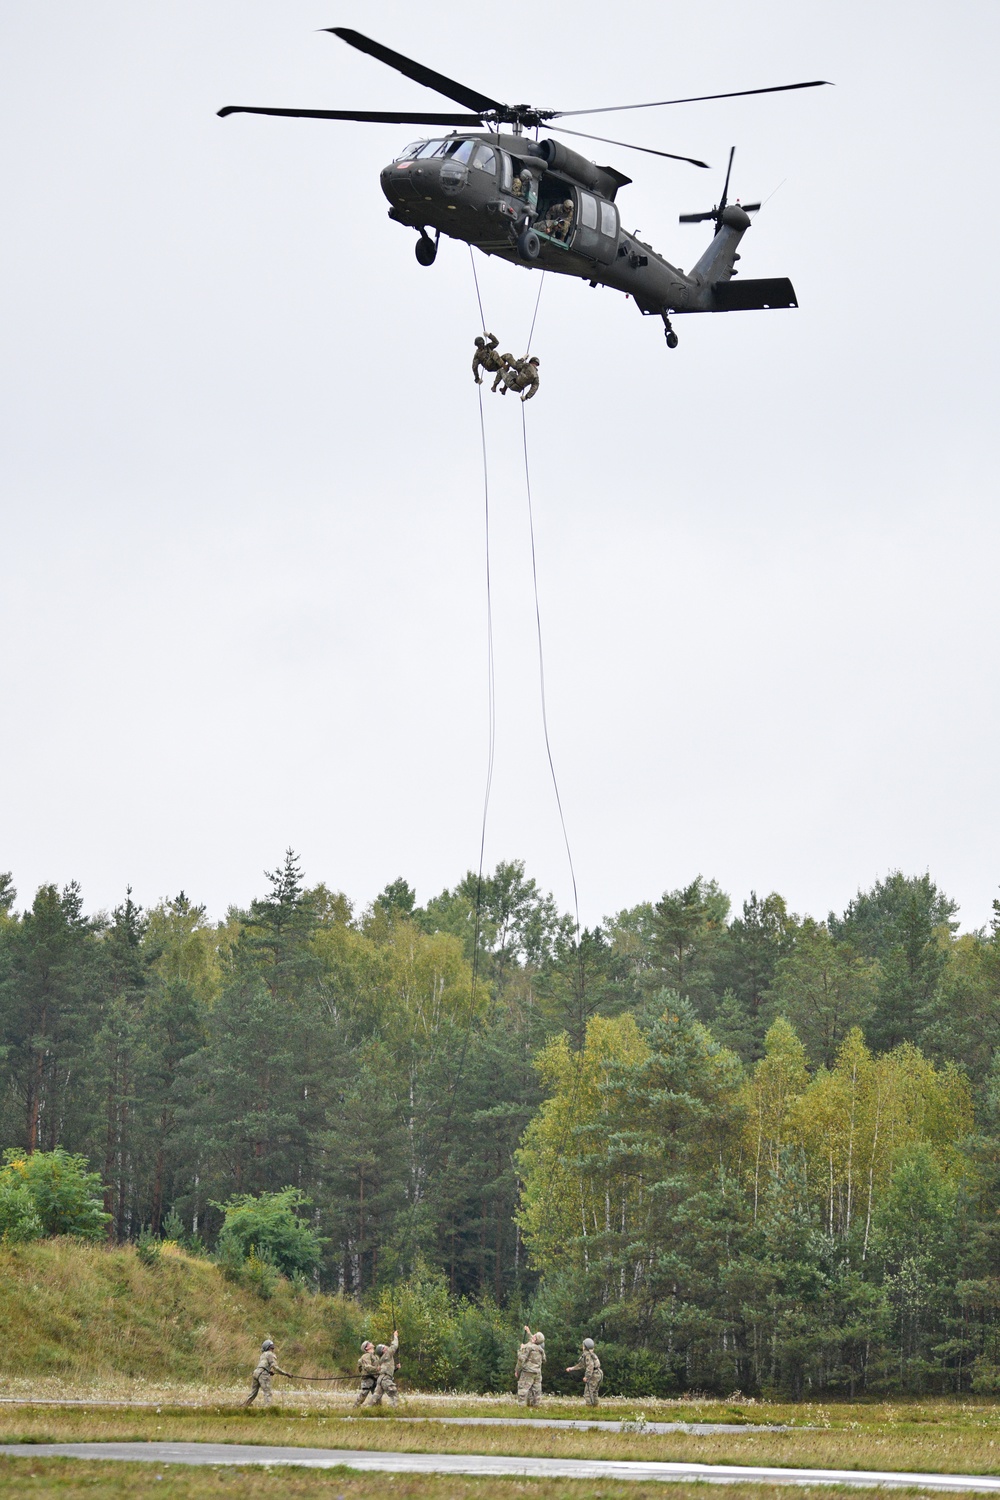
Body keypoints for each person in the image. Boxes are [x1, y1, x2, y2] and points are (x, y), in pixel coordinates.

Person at [514, 1324, 545, 1407]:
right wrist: (528, 1332)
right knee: (536, 1392)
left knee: (522, 1390)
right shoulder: (541, 1349)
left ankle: (521, 1407)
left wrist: (521, 1349)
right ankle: (536, 1407)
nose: (533, 1336)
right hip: (537, 1373)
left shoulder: (528, 1347)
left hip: (527, 1372)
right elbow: (544, 1360)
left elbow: (521, 1359)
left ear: (535, 1339)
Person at [566, 1337, 603, 1406]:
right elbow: (581, 1365)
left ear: (585, 1347)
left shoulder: (587, 1355)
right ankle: (595, 1407)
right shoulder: (591, 1354)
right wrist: (572, 1368)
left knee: (588, 1393)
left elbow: (590, 1366)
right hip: (599, 1373)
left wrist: (587, 1377)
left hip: (594, 1374)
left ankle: (590, 1407)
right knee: (594, 1392)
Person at [369, 1329, 400, 1408]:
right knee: (394, 1395)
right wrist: (395, 1336)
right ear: (383, 1350)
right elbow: (394, 1346)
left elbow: (387, 1368)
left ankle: (366, 1410)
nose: (386, 1346)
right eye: (384, 1346)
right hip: (386, 1379)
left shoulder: (383, 1358)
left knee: (375, 1397)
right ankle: (393, 1411)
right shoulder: (387, 1354)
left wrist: (396, 1368)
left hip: (381, 1379)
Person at [244, 1338, 278, 1406]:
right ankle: (268, 1410)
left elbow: (263, 1365)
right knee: (268, 1393)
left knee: (253, 1393)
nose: (273, 1349)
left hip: (256, 1373)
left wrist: (269, 1371)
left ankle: (244, 1406)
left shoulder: (262, 1355)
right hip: (263, 1374)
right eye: (272, 1348)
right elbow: (275, 1367)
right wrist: (286, 1374)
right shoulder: (270, 1354)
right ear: (270, 1348)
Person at [354, 1339, 380, 1407]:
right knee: (363, 1395)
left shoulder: (375, 1356)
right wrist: (376, 1369)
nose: (371, 1343)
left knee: (377, 1397)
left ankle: (379, 1411)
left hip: (375, 1379)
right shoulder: (366, 1356)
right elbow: (367, 1367)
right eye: (369, 1343)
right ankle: (355, 1408)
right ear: (366, 1348)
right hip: (367, 1379)